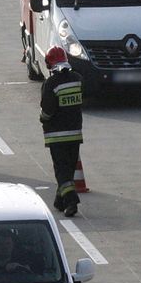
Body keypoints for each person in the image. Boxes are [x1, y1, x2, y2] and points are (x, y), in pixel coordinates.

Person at [40, 46, 83, 217]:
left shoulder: (51, 83)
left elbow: (47, 111)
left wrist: (42, 118)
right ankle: (60, 200)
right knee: (69, 168)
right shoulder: (78, 79)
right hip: (75, 133)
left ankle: (71, 201)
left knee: (61, 170)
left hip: (56, 136)